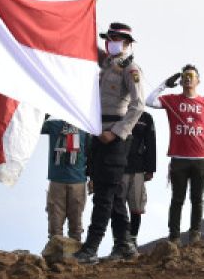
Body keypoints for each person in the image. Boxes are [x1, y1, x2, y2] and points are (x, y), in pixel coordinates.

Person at [73, 22, 146, 264]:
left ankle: (91, 247)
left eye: (116, 38)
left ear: (126, 43)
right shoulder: (107, 63)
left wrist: (115, 132)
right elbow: (88, 49)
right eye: (109, 37)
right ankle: (124, 244)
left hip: (115, 136)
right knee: (113, 193)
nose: (111, 41)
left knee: (104, 193)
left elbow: (138, 105)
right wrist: (78, 26)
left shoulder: (131, 69)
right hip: (98, 131)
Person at [146, 65, 204, 244]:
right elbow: (149, 101)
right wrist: (165, 84)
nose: (188, 79)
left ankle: (195, 234)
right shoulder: (172, 100)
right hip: (179, 158)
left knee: (197, 198)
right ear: (181, 80)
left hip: (200, 159)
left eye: (191, 76)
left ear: (198, 80)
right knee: (177, 199)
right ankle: (174, 236)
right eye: (185, 76)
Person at [41, 116, 89, 245]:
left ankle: (75, 258)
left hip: (78, 181)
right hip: (57, 180)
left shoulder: (86, 128)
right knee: (55, 224)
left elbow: (91, 154)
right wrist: (48, 110)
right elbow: (36, 126)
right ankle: (54, 257)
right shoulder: (54, 125)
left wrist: (92, 178)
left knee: (76, 224)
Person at [122, 111, 156, 255]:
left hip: (138, 168)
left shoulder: (145, 117)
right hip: (118, 167)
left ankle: (133, 239)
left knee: (137, 206)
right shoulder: (116, 111)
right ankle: (120, 241)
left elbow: (151, 142)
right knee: (117, 207)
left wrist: (150, 169)